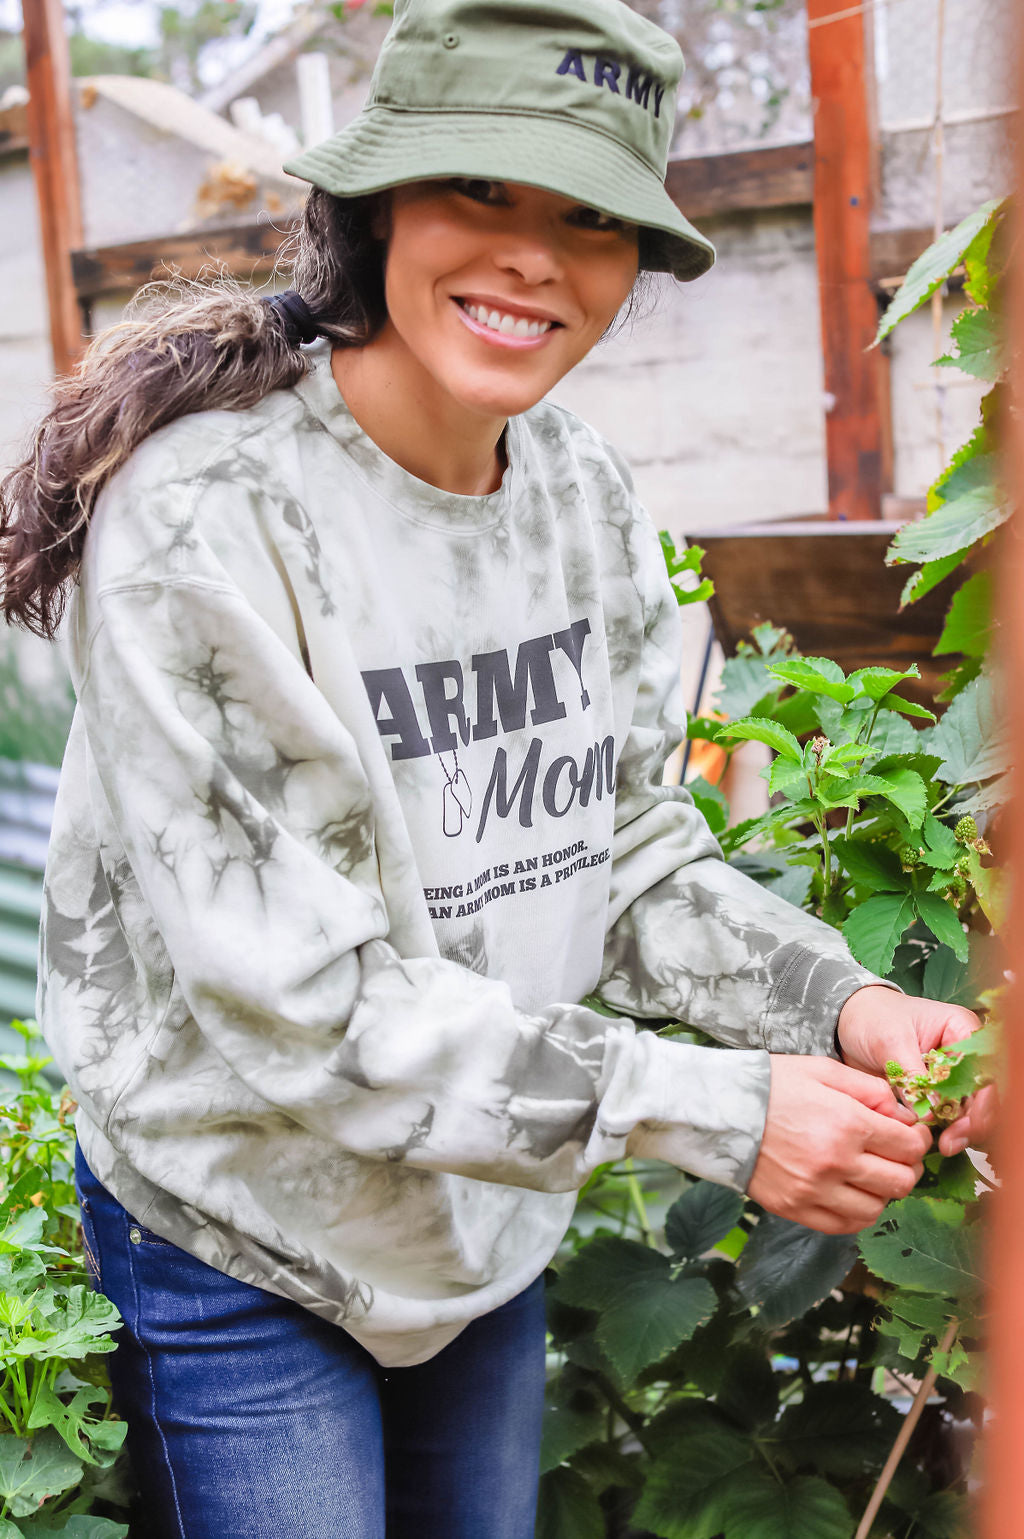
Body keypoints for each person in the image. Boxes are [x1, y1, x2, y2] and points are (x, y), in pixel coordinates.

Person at [0, 0, 994, 1535]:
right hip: (243, 1222)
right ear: (379, 201)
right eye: (484, 189)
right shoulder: (208, 518)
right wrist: (729, 1116)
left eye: (592, 218)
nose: (537, 254)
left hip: (478, 1208)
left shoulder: (578, 492)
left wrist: (842, 1005)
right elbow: (304, 1003)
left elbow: (630, 856)